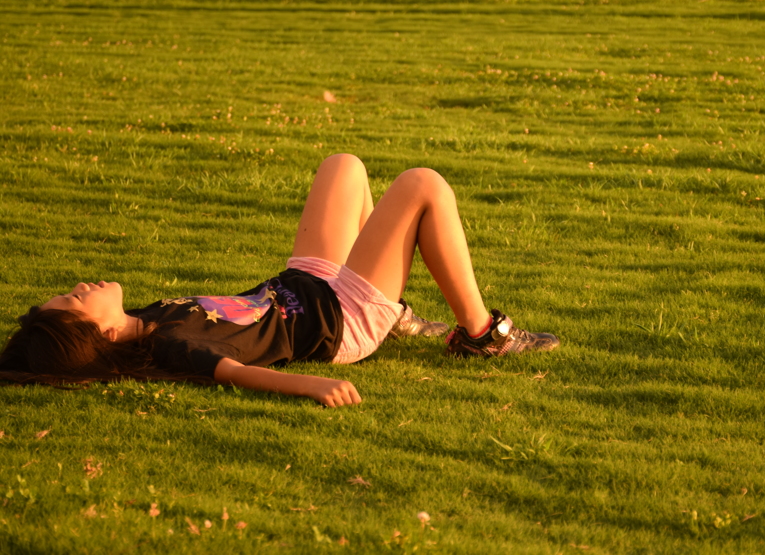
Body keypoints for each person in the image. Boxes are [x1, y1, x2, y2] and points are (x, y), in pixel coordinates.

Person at [0, 154, 559, 407]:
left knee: (344, 165)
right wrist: (314, 385)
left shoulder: (142, 318)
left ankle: (399, 315)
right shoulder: (168, 346)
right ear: (96, 336)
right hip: (339, 322)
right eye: (76, 299)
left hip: (305, 283)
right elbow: (237, 374)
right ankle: (483, 333)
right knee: (423, 184)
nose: (82, 285)